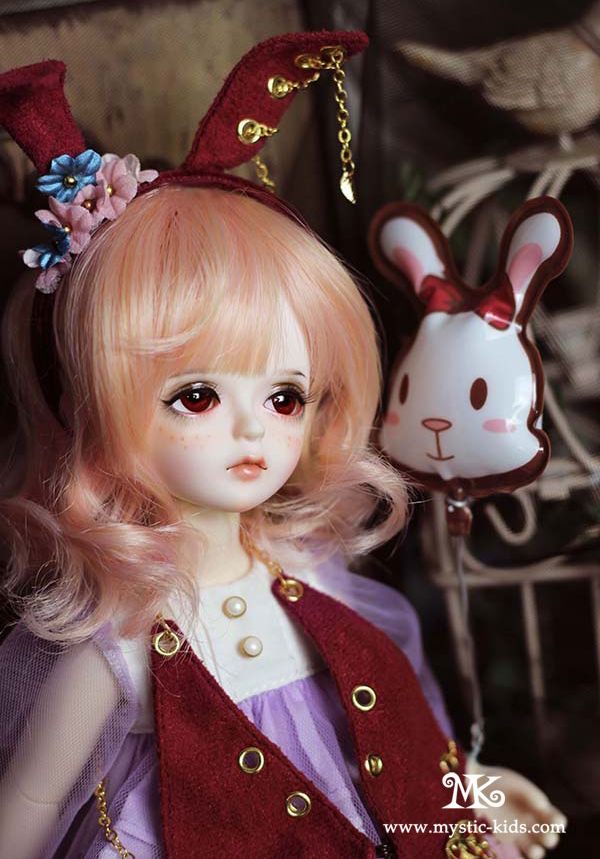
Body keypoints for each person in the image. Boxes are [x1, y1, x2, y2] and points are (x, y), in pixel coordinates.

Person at [0, 32, 564, 859]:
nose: (252, 429)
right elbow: (27, 804)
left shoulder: (312, 576)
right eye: (196, 396)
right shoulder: (116, 641)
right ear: (92, 406)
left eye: (285, 396)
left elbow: (387, 744)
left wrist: (472, 788)